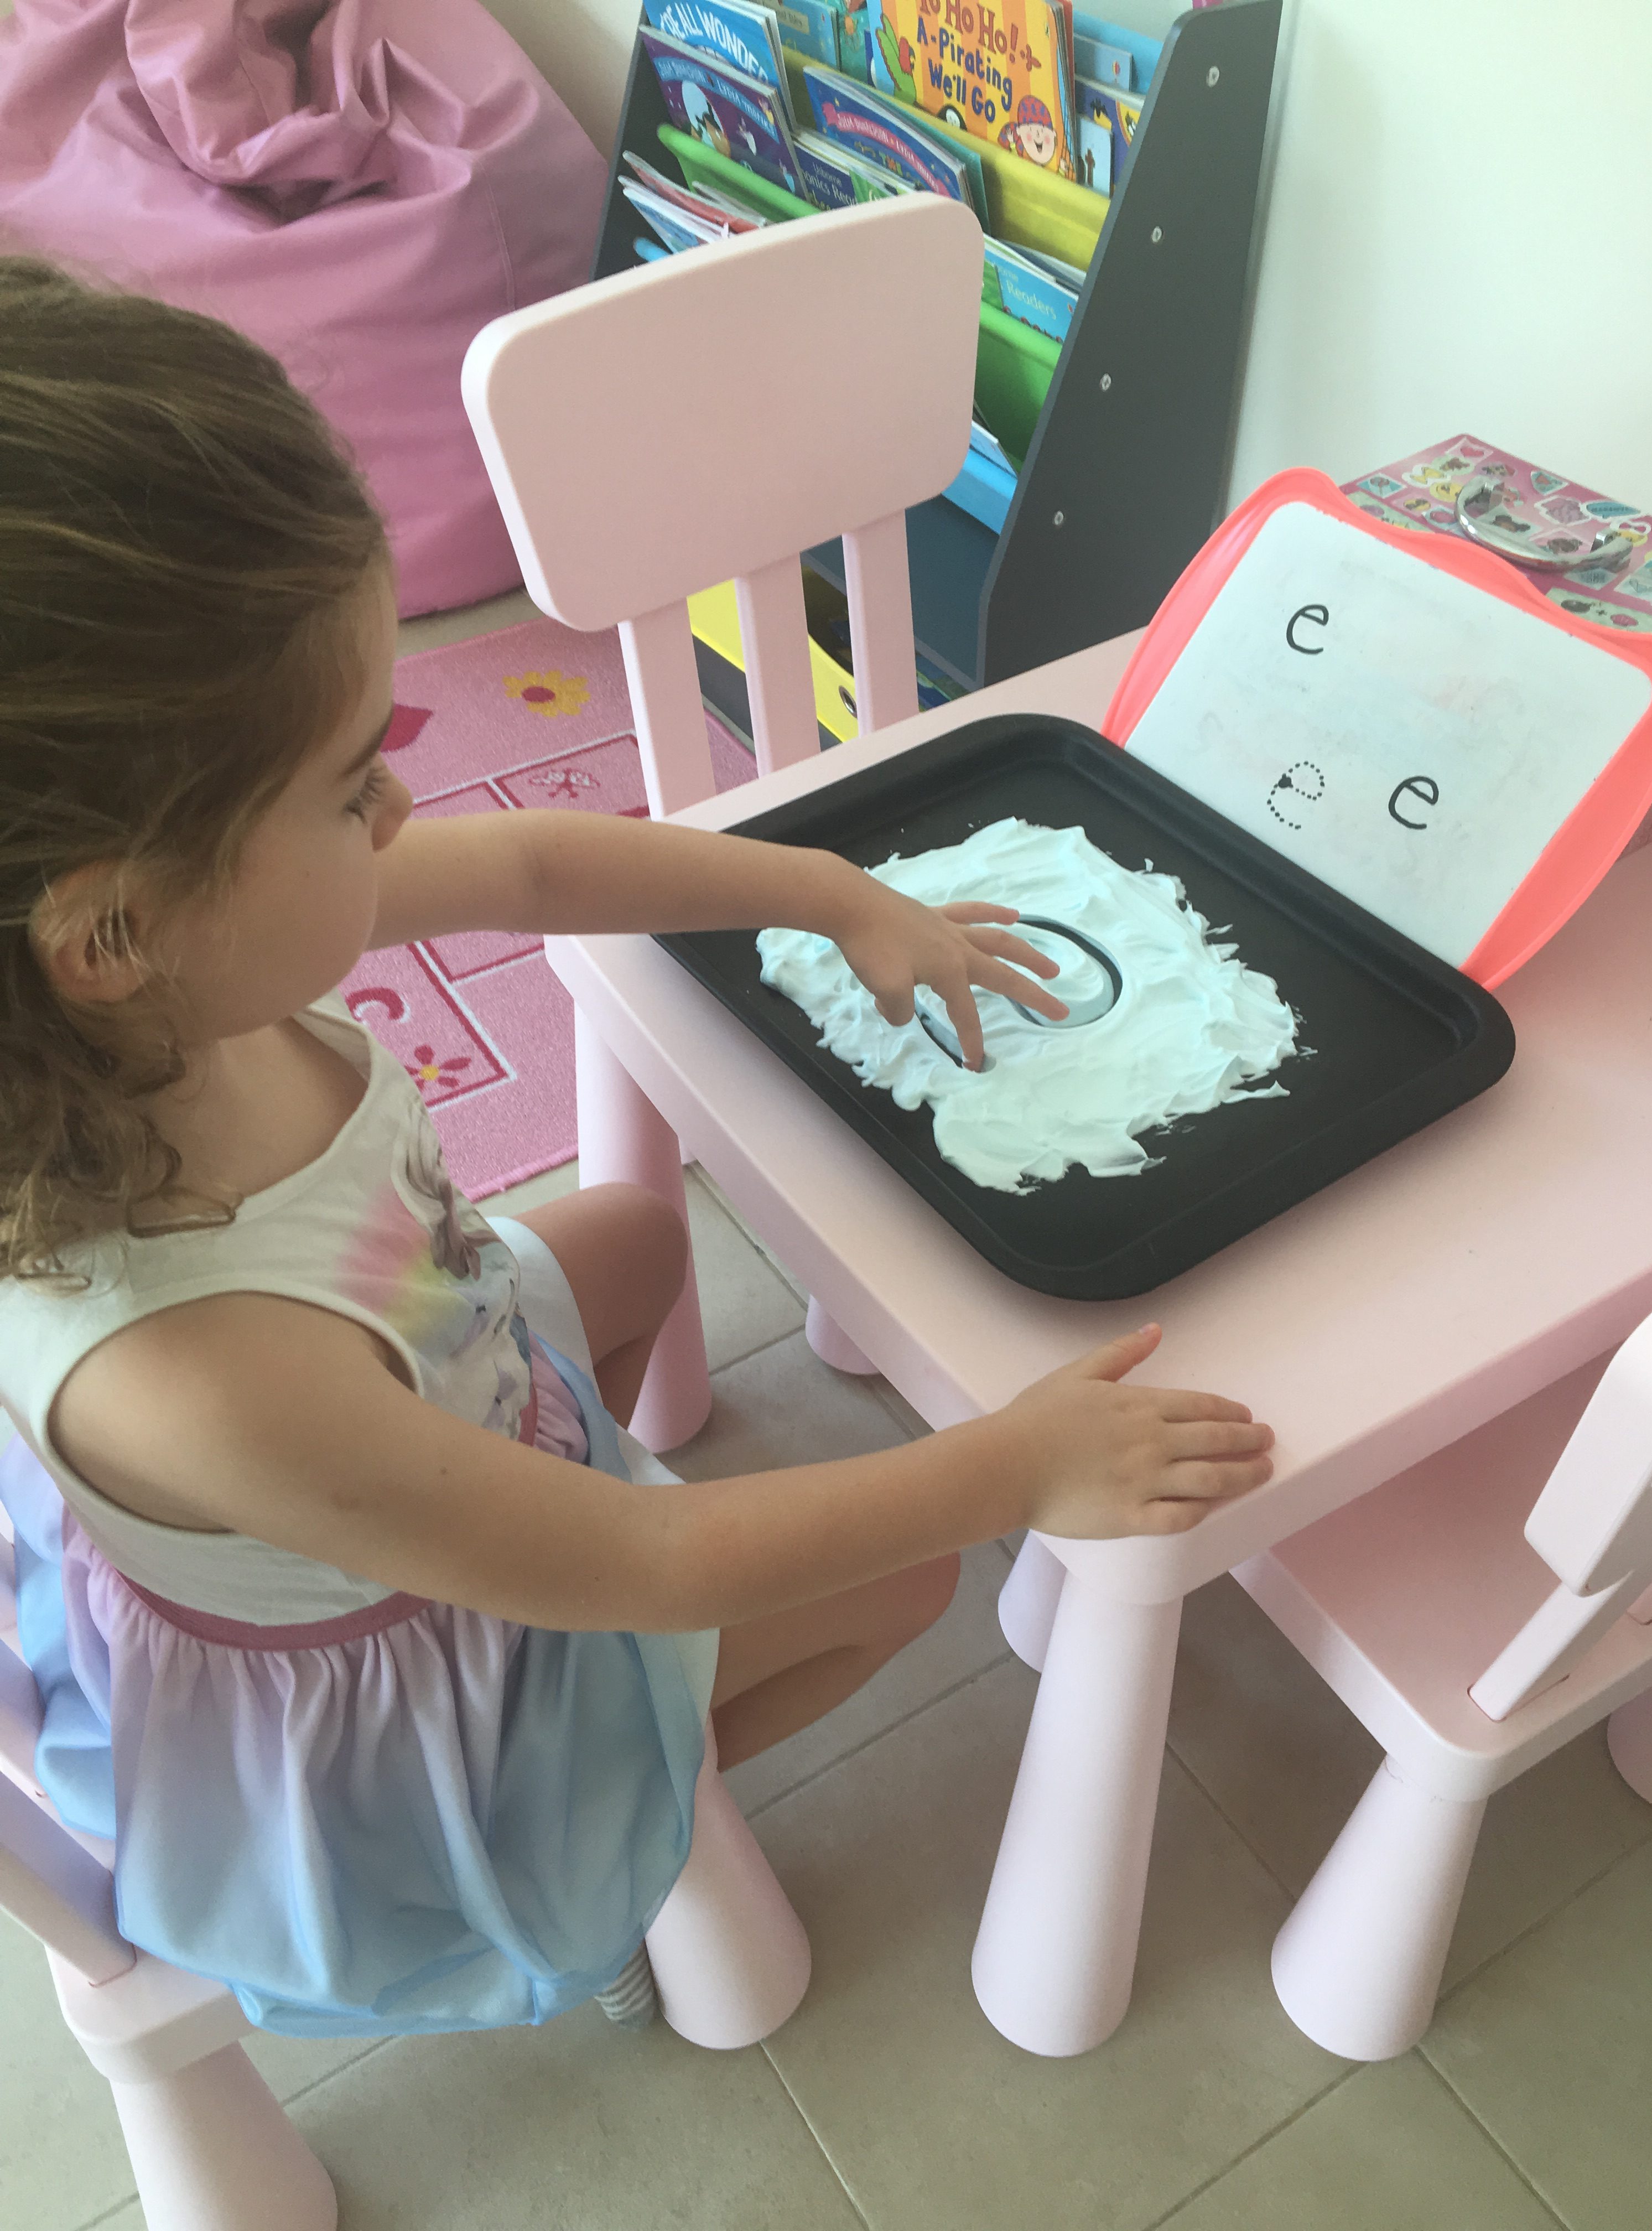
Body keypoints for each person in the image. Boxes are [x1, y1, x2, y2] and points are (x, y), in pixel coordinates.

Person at [0, 260, 1274, 2040]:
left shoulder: (158, 987)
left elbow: (535, 870)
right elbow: (654, 1569)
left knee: (637, 1238)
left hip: (434, 1398)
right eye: (344, 778)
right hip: (403, 1699)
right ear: (113, 928)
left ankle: (616, 1751)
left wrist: (833, 895)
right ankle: (600, 1867)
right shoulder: (200, 1374)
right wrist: (1015, 1465)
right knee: (902, 1570)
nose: (394, 804)